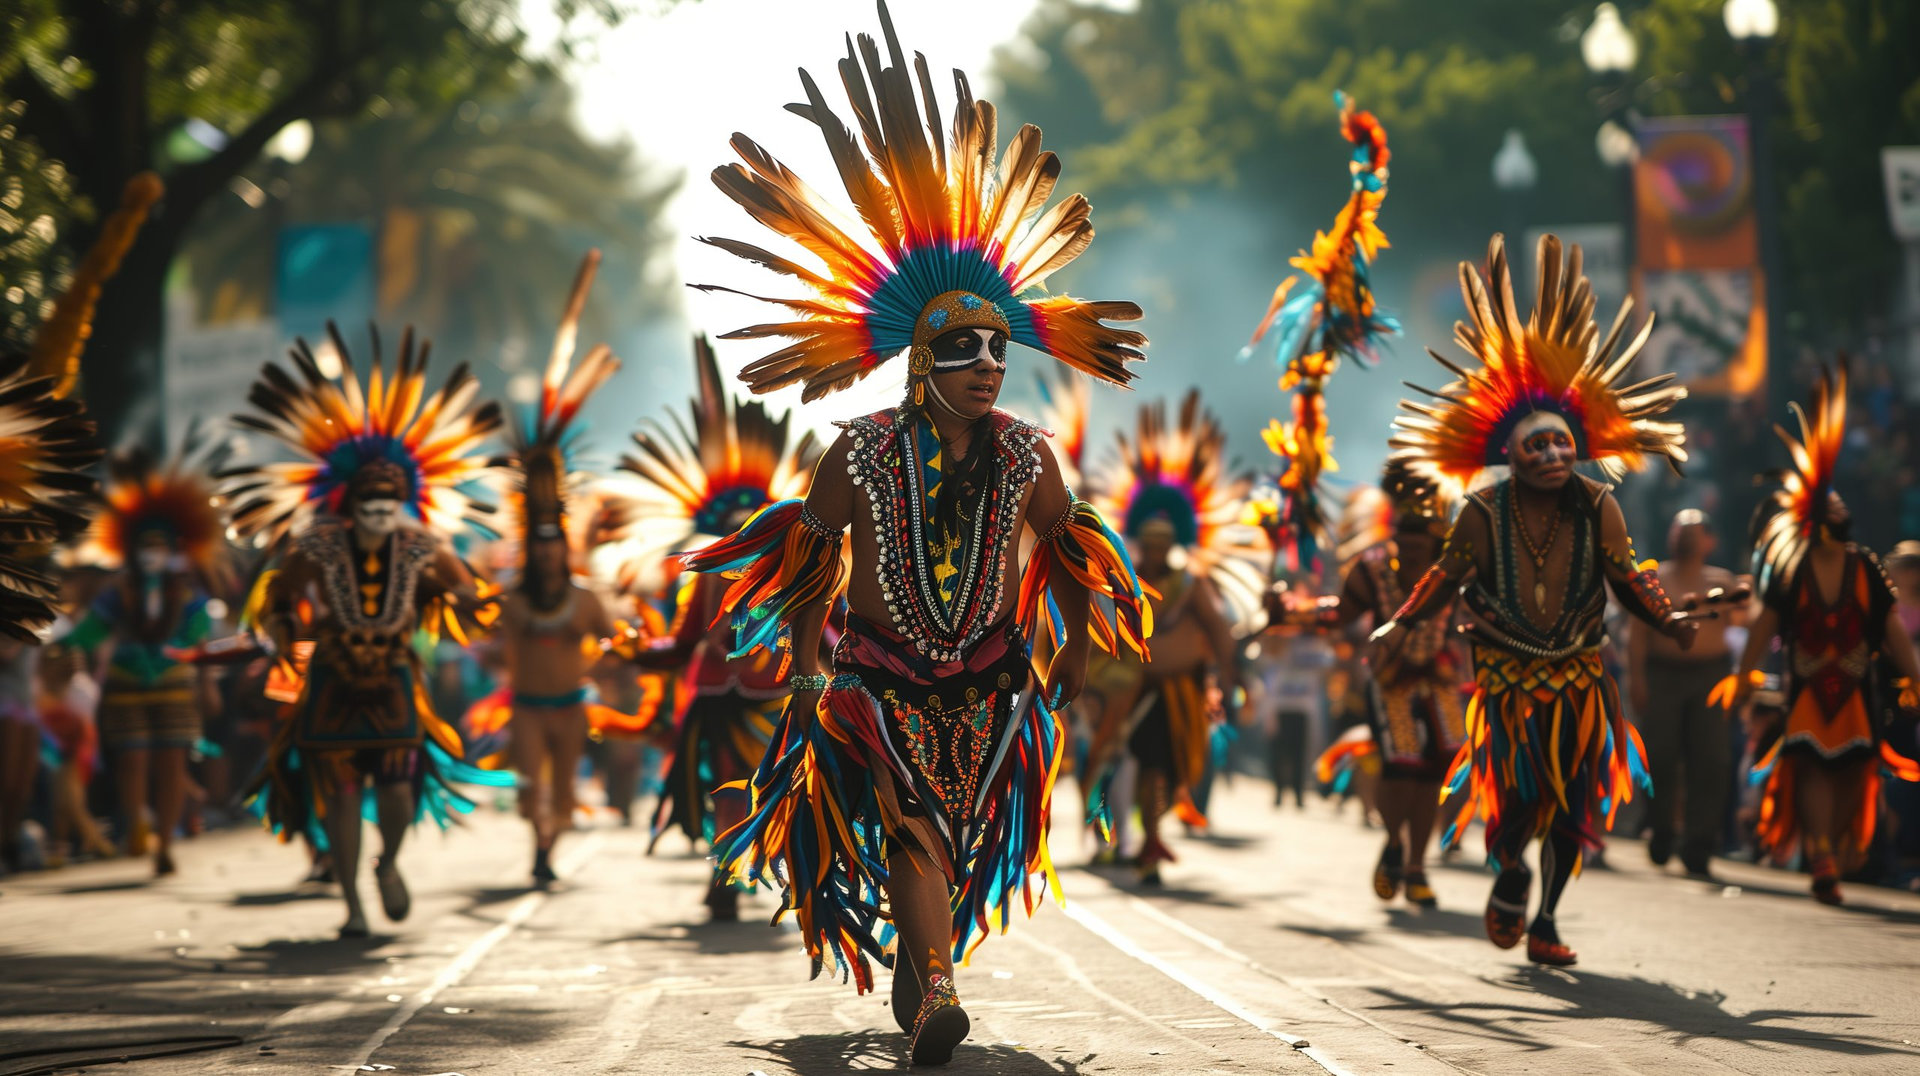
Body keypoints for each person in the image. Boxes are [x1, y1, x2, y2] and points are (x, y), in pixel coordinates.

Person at [681, 3, 1150, 1063]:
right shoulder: (853, 453)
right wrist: (805, 668)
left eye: (1000, 343)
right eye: (965, 346)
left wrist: (1075, 640)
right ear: (918, 360)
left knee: (949, 832)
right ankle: (938, 984)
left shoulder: (1033, 455)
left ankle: (920, 960)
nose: (989, 361)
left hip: (990, 679)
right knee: (917, 826)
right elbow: (809, 567)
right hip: (877, 679)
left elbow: (1072, 552)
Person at [1373, 233, 1698, 967]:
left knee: (1574, 806)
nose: (1553, 458)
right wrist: (1399, 619)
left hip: (1581, 683)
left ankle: (1547, 915)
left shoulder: (1599, 504)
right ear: (1509, 455)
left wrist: (1669, 618)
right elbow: (1443, 581)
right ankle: (1511, 872)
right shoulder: (1481, 513)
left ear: (1576, 445)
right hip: (1509, 686)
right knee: (1519, 800)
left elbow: (1628, 576)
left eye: (1561, 445)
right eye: (1537, 448)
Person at [225, 324, 512, 938]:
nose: (380, 513)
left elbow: (469, 596)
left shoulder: (423, 547)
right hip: (331, 676)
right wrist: (280, 632)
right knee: (343, 792)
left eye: (390, 503)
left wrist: (462, 598)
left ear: (404, 503)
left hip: (394, 681)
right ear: (349, 505)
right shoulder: (319, 545)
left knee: (399, 796)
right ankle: (352, 904)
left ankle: (387, 861)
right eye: (369, 504)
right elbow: (279, 592)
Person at [618, 333, 820, 919]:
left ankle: (748, 868)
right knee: (730, 790)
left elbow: (823, 630)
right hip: (723, 697)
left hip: (774, 693)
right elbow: (684, 642)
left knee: (772, 787)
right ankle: (730, 873)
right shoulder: (705, 575)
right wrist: (641, 654)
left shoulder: (796, 568)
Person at [1721, 361, 1920, 905]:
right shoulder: (1794, 571)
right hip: (1807, 689)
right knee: (1809, 766)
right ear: (1812, 515)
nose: (1840, 505)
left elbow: (1889, 628)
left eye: (1840, 500)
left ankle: (1833, 846)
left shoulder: (1867, 567)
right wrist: (1743, 678)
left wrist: (1915, 676)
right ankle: (1824, 856)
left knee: (1854, 771)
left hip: (1858, 691)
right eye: (1830, 501)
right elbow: (1764, 624)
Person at [1084, 390, 1263, 884]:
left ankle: (1151, 833)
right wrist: (1094, 685)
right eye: (1152, 543)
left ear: (1176, 544)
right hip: (1132, 688)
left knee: (1171, 763)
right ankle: (1146, 840)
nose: (1158, 552)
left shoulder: (1191, 586)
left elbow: (1219, 634)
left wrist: (1235, 675)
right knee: (1141, 762)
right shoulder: (1123, 581)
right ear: (1143, 541)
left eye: (1166, 545)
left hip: (1181, 690)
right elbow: (1103, 635)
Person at [1274, 461, 1466, 907]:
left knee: (1435, 773)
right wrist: (1290, 610)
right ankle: (1394, 843)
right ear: (1393, 529)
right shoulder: (1372, 568)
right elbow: (1339, 614)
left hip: (1440, 679)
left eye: (1423, 533)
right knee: (1401, 769)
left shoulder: (1456, 567)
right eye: (1406, 531)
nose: (1414, 543)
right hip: (1390, 682)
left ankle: (1417, 865)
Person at [496, 250, 627, 889]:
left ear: (563, 549)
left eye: (556, 545)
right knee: (530, 782)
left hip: (571, 704)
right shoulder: (515, 600)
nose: (548, 554)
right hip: (525, 705)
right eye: (538, 545)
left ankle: (549, 842)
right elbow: (497, 648)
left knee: (564, 779)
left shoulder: (583, 596)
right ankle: (539, 844)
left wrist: (605, 660)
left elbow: (613, 637)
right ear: (531, 547)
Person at [64, 437, 228, 875]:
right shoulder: (116, 591)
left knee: (172, 763)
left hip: (174, 683)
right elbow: (87, 633)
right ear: (131, 549)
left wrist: (207, 679)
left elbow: (200, 634)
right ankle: (137, 821)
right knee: (133, 760)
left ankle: (165, 844)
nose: (151, 553)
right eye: (144, 546)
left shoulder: (188, 592)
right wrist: (60, 644)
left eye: (159, 546)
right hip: (126, 682)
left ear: (173, 549)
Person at [1628, 509, 1743, 878]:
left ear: (1710, 541)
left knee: (1710, 759)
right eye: (1679, 530)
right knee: (1659, 755)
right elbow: (1638, 633)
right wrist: (1637, 680)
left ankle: (1699, 843)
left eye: (1693, 532)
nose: (1684, 538)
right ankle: (1661, 828)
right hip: (1663, 675)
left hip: (1711, 675)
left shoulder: (1723, 583)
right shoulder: (1655, 578)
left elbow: (1748, 620)